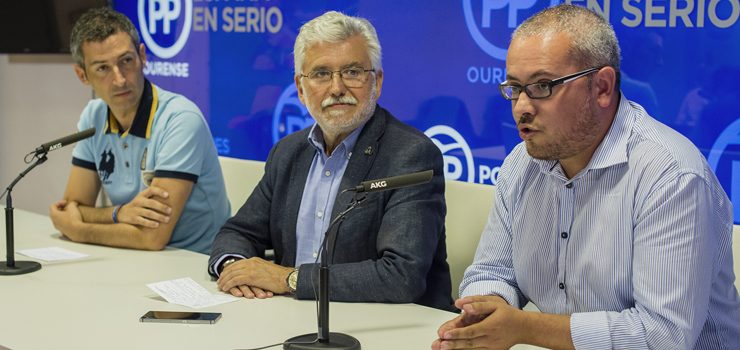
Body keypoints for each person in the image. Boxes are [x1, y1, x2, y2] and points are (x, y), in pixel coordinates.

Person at [433, 4, 740, 350]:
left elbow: (662, 336)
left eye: (542, 86)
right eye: (515, 88)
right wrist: (485, 310)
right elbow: (492, 272)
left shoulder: (671, 176)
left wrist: (523, 328)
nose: (521, 106)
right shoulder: (522, 162)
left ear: (602, 87)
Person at [208, 11, 453, 311]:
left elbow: (401, 276)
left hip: (388, 326)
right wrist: (236, 268)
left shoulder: (410, 155)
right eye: (322, 74)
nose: (337, 88)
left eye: (352, 72)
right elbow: (238, 232)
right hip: (294, 319)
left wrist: (289, 279)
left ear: (377, 81)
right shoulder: (288, 152)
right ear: (300, 88)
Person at [49, 8, 230, 255]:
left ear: (142, 56)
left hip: (196, 263)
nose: (120, 79)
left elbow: (152, 237)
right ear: (82, 75)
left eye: (126, 61)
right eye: (102, 68)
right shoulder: (94, 116)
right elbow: (72, 207)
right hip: (133, 256)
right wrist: (118, 213)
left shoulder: (180, 119)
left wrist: (80, 231)